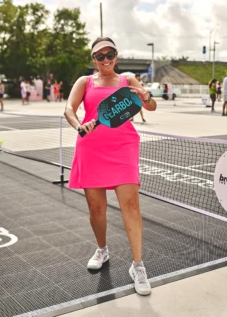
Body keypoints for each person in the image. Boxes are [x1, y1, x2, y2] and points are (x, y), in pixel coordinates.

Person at [64, 37, 157, 296]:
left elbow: (151, 105)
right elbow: (69, 109)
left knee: (131, 205)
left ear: (116, 55)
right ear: (93, 59)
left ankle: (137, 266)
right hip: (91, 148)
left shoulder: (128, 79)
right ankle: (102, 250)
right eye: (100, 55)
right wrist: (78, 124)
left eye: (110, 53)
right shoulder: (85, 82)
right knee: (96, 209)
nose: (106, 59)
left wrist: (146, 96)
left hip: (124, 147)